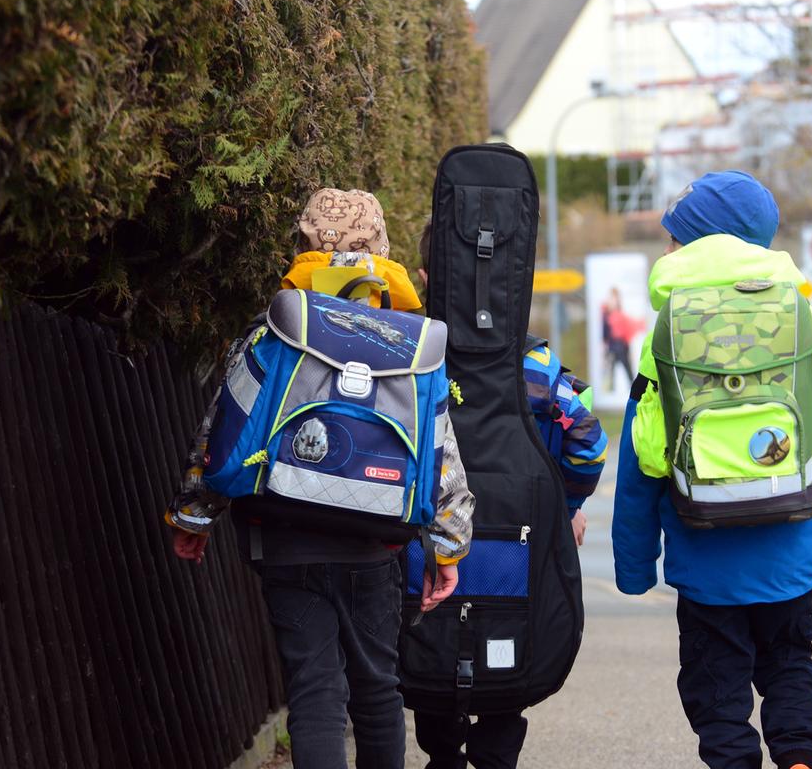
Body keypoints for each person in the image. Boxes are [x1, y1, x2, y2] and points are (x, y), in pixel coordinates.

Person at [166, 188, 476, 769]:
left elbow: (226, 426)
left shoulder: (278, 328)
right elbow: (442, 455)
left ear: (303, 245)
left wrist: (195, 514)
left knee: (314, 691)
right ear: (383, 248)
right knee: (378, 689)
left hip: (284, 536)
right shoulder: (408, 340)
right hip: (373, 544)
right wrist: (448, 547)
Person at [611, 171, 812, 769]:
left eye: (675, 238)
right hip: (792, 544)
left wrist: (634, 567)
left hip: (702, 552)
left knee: (716, 687)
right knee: (789, 667)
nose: (668, 249)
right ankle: (801, 759)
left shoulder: (668, 333)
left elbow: (641, 462)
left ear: (697, 242)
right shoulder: (809, 322)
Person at [410, 223, 610, 769]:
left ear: (427, 277)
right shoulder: (536, 366)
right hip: (513, 549)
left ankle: (442, 754)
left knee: (427, 645)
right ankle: (496, 755)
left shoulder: (410, 356)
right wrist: (562, 508)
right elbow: (588, 442)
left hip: (429, 544)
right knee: (511, 644)